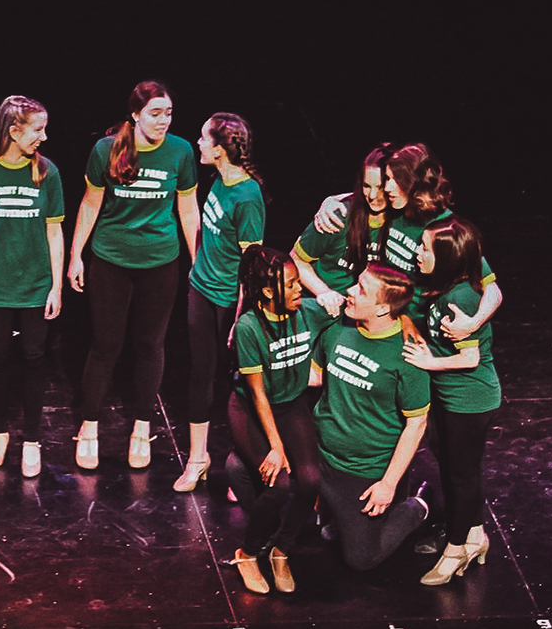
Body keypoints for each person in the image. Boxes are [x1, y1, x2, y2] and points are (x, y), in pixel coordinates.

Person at [67, 80, 200, 470]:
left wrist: (198, 261)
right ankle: (88, 427)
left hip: (159, 262)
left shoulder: (180, 151)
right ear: (135, 114)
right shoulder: (106, 150)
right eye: (155, 113)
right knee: (105, 345)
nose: (163, 120)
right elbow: (91, 202)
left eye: (169, 113)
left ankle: (142, 426)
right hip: (111, 259)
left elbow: (188, 207)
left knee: (150, 345)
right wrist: (76, 255)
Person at [0, 95, 65, 477]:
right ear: (14, 130)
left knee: (35, 358)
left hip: (36, 285)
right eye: (37, 129)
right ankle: (1, 431)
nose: (44, 136)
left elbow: (54, 230)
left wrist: (55, 286)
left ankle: (33, 439)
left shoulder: (47, 173)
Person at [311, 143, 501, 341]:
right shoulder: (396, 208)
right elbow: (368, 196)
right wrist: (331, 201)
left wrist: (473, 323)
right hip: (383, 318)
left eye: (394, 180)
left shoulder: (442, 226)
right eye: (387, 179)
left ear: (414, 183)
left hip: (419, 329)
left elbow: (491, 288)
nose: (387, 187)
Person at [310, 264, 430, 571]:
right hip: (319, 455)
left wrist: (388, 484)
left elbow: (416, 424)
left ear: (382, 308)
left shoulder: (407, 356)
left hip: (363, 470)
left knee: (360, 559)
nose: (349, 290)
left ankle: (416, 506)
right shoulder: (338, 329)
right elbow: (316, 376)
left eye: (361, 289)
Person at [402, 217, 499, 584]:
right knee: (451, 465)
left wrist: (430, 361)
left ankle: (456, 549)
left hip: (470, 400)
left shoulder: (459, 297)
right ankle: (475, 534)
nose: (418, 252)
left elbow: (470, 357)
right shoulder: (441, 287)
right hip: (450, 396)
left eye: (425, 248)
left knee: (461, 476)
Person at [227, 247, 327, 594]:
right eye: (292, 284)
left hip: (291, 404)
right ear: (269, 291)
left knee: (311, 481)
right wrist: (276, 447)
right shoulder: (249, 328)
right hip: (253, 410)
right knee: (279, 485)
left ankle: (281, 550)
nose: (301, 289)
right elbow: (257, 395)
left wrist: (403, 320)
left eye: (299, 281)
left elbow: (354, 314)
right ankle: (248, 552)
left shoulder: (308, 312)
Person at [177, 113, 266, 491]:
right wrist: (197, 267)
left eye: (203, 139)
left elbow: (252, 267)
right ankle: (198, 458)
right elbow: (204, 229)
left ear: (219, 148)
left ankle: (241, 465)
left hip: (230, 301)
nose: (198, 144)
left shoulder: (247, 197)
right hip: (202, 289)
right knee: (199, 375)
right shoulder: (218, 181)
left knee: (238, 384)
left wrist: (240, 319)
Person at [292, 144, 391, 320]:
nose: (373, 195)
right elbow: (297, 260)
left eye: (380, 187)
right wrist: (324, 292)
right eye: (367, 186)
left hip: (368, 314)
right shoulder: (338, 215)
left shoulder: (402, 221)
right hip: (324, 308)